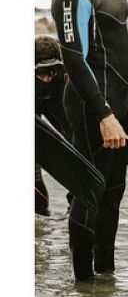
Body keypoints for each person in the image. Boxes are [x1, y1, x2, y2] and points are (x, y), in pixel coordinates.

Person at [51, 0, 128, 280]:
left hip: (115, 105)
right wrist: (104, 114)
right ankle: (84, 284)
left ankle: (106, 279)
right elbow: (75, 57)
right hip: (92, 108)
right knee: (90, 192)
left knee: (113, 193)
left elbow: (118, 52)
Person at [35, 36, 69, 216]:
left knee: (74, 138)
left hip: (55, 99)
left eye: (52, 72)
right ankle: (39, 215)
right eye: (42, 73)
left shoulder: (61, 76)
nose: (47, 78)